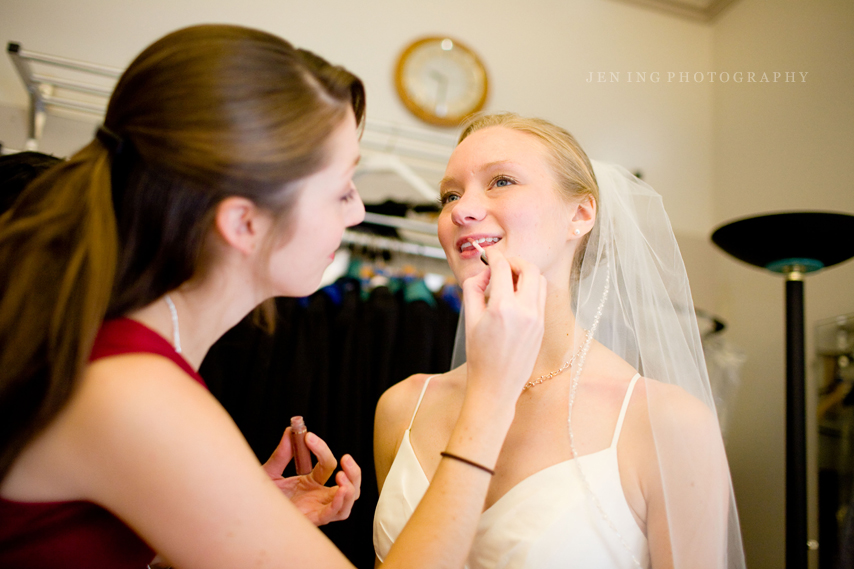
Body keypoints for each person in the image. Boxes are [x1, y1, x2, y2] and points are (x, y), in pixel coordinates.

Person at [0, 26, 548, 568]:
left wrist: (231, 520)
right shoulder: (135, 388)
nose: (359, 212)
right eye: (341, 189)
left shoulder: (127, 354)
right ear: (243, 222)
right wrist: (491, 398)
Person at [373, 113, 747, 569]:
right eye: (450, 194)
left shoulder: (667, 423)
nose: (460, 210)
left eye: (501, 181)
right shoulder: (402, 408)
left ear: (580, 214)